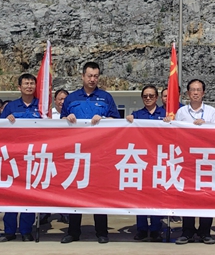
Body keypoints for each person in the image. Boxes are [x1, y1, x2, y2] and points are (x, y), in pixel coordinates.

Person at [60, 62, 119, 244]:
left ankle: (101, 232)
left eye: (95, 76)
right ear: (82, 76)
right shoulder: (71, 98)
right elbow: (60, 123)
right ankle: (73, 232)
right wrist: (66, 118)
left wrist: (105, 119)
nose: (92, 79)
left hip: (100, 153)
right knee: (74, 193)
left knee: (99, 193)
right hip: (76, 153)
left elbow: (116, 121)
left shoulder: (106, 97)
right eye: (89, 76)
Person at [174, 79, 215, 245]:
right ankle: (187, 231)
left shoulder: (211, 112)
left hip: (207, 160)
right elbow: (175, 133)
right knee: (188, 196)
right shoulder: (181, 112)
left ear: (203, 93)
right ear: (187, 93)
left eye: (198, 90)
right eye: (192, 90)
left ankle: (205, 232)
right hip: (187, 160)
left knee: (207, 196)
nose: (195, 93)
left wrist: (206, 125)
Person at [0, 73, 41, 242]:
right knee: (11, 194)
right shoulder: (11, 106)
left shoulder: (42, 106)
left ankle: (26, 230)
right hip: (14, 157)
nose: (29, 86)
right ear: (19, 87)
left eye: (32, 83)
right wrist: (6, 121)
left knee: (29, 195)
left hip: (34, 156)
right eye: (26, 83)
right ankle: (9, 231)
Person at [127, 85, 166, 241]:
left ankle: (156, 228)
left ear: (156, 97)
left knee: (156, 194)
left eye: (151, 96)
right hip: (141, 160)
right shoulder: (136, 115)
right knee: (141, 195)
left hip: (158, 159)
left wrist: (170, 122)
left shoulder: (165, 114)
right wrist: (128, 121)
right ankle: (142, 228)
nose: (148, 98)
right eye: (145, 96)